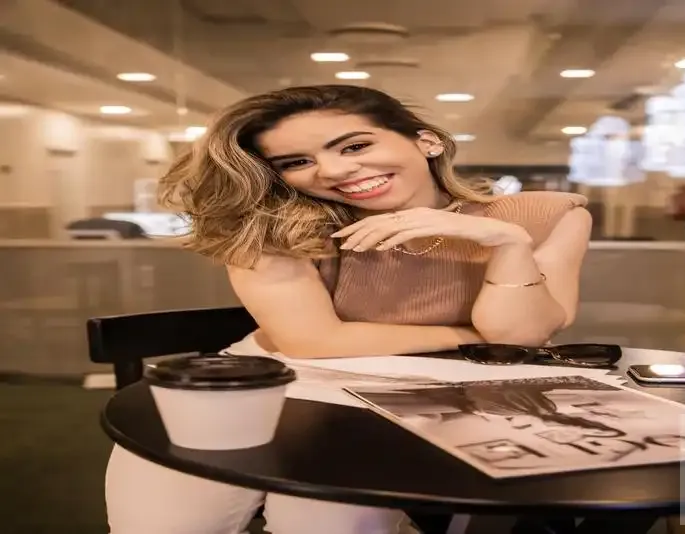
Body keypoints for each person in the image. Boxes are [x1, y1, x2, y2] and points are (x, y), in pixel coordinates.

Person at [105, 84, 593, 534]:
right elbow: (312, 342)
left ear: (426, 142)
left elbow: (521, 335)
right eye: (297, 161)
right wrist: (476, 338)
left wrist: (507, 244)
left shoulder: (542, 218)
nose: (333, 171)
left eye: (355, 146)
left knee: (323, 518)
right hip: (276, 379)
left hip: (434, 394)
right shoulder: (269, 223)